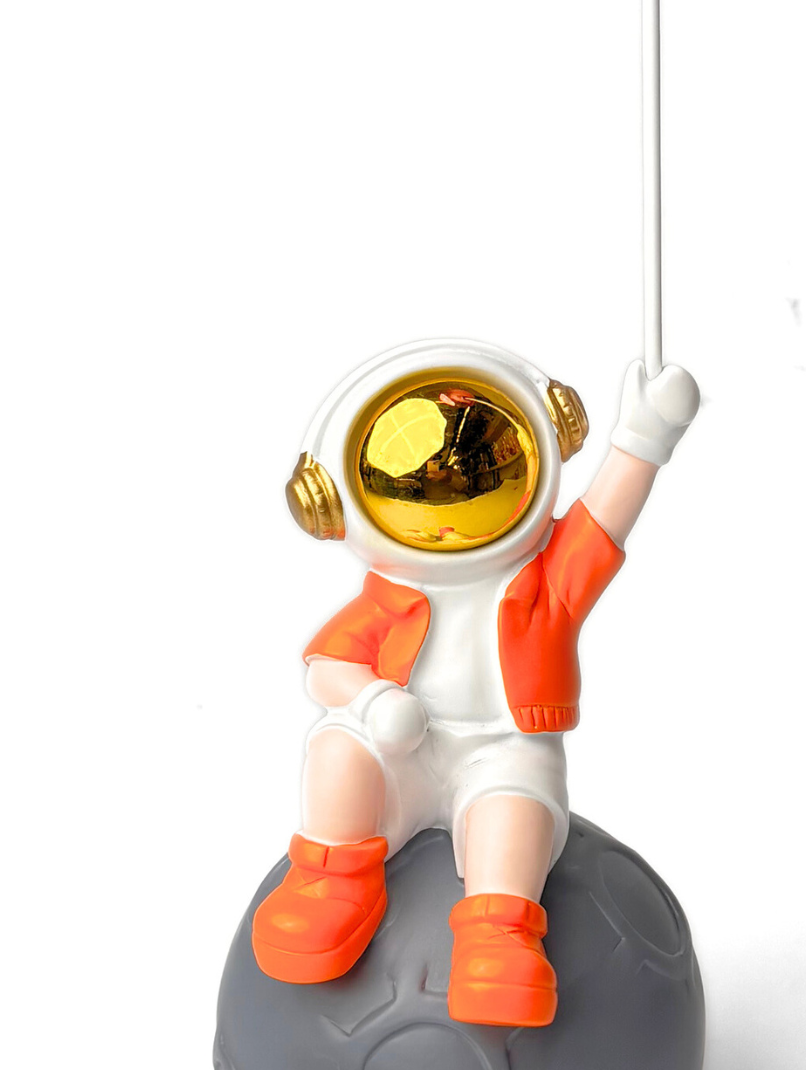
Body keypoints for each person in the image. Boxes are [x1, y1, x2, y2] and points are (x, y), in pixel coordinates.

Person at [253, 339, 699, 1027]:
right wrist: (372, 701)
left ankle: (500, 934)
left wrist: (644, 436)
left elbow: (602, 522)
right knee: (338, 749)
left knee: (511, 814)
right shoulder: (388, 596)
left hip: (507, 752)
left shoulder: (546, 581)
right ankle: (332, 880)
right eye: (414, 476)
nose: (452, 485)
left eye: (479, 461)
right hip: (405, 753)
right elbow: (328, 669)